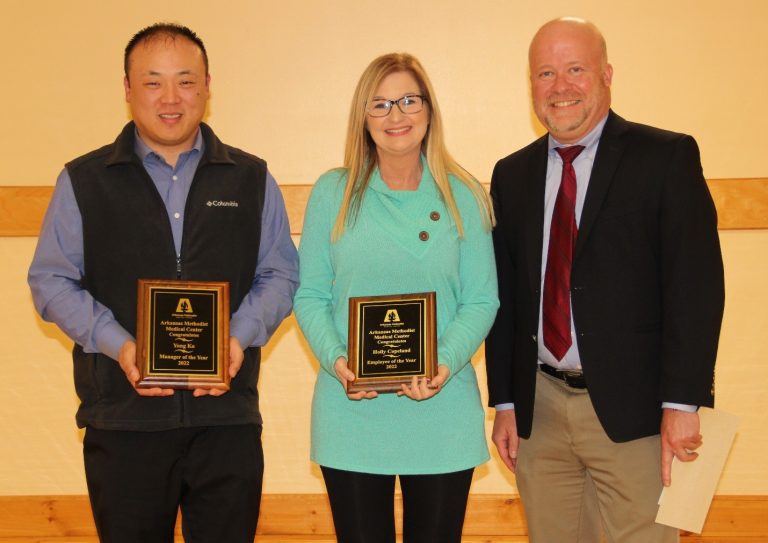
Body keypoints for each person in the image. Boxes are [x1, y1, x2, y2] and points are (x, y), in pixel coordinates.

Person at [28, 22, 298, 542]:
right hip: (123, 422)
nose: (170, 98)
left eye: (185, 81)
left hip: (226, 418)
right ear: (128, 90)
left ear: (208, 86)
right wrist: (120, 345)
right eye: (152, 82)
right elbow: (51, 280)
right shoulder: (83, 180)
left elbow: (280, 273)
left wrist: (236, 338)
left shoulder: (251, 177)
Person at [485, 17, 725, 543]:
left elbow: (696, 287)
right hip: (540, 412)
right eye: (546, 73)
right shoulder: (512, 174)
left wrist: (683, 404)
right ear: (531, 86)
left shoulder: (665, 157)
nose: (561, 86)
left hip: (636, 412)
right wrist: (504, 402)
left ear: (607, 74)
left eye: (576, 69)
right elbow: (506, 300)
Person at [293, 53, 498, 543]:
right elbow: (310, 295)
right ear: (362, 118)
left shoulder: (464, 194)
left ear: (429, 109)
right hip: (352, 415)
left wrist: (443, 363)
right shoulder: (332, 193)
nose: (396, 116)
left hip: (442, 412)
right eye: (379, 104)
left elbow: (482, 300)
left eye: (408, 100)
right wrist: (337, 360)